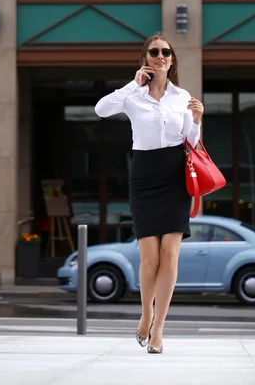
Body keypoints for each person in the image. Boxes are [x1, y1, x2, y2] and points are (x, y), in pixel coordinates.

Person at [94, 34, 204, 354]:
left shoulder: (181, 96)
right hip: (143, 174)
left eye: (165, 52)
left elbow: (191, 143)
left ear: (171, 60)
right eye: (154, 52)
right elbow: (101, 110)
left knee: (170, 254)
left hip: (174, 174)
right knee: (149, 257)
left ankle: (158, 329)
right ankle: (146, 313)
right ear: (146, 57)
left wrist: (196, 120)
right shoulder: (133, 95)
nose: (160, 56)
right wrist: (132, 85)